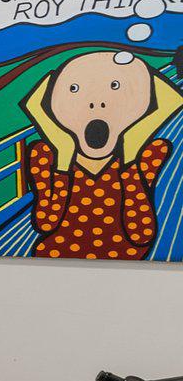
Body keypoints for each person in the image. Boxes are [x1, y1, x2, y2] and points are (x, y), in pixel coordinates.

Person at [25, 50, 182, 259]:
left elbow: (141, 234)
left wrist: (131, 156)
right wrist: (63, 157)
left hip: (130, 265)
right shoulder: (45, 154)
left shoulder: (150, 153)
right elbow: (46, 222)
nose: (96, 103)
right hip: (49, 260)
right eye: (74, 89)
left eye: (116, 87)